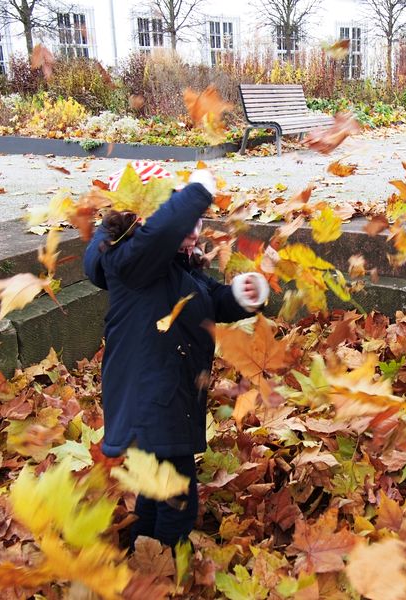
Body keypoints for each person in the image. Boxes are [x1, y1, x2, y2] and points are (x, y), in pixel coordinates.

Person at [84, 161, 269, 548]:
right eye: (185, 218)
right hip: (149, 397)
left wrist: (238, 297)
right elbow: (160, 232)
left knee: (157, 488)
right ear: (139, 224)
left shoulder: (174, 264)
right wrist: (197, 190)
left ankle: (144, 547)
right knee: (178, 495)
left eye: (197, 220)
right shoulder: (132, 264)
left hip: (170, 392)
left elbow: (206, 300)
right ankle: (167, 560)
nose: (194, 230)